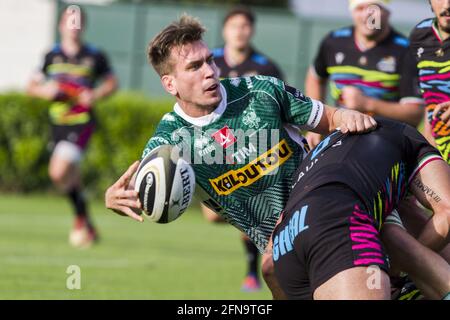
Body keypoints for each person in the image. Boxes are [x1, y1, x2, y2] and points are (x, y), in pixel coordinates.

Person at [104, 15, 376, 299]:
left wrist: (346, 114)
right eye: (194, 66)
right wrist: (114, 198)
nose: (209, 71)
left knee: (276, 266)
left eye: (209, 60)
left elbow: (330, 118)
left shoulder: (262, 91)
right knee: (274, 267)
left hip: (324, 209)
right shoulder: (171, 141)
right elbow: (148, 186)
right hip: (282, 249)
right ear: (170, 84)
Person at [272, 117, 450, 299]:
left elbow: (268, 267)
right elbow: (447, 212)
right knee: (400, 241)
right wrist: (395, 269)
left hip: (284, 245)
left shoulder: (359, 161)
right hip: (335, 221)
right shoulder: (410, 140)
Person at [203, 6, 284, 292]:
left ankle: (253, 271)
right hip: (213, 147)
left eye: (245, 26)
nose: (240, 31)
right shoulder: (208, 62)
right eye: (234, 26)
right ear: (225, 30)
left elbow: (278, 108)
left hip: (254, 149)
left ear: (252, 31)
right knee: (213, 215)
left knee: (248, 202)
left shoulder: (265, 67)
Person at [27, 6, 118, 248]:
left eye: (78, 21)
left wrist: (95, 94)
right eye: (69, 20)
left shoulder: (95, 56)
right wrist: (45, 91)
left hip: (81, 123)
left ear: (83, 26)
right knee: (70, 180)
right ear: (61, 25)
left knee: (57, 172)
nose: (73, 25)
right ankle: (84, 220)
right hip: (57, 123)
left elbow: (112, 83)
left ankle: (81, 219)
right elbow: (32, 86)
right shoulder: (51, 56)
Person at [305, 0, 423, 148]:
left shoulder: (405, 51)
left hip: (387, 140)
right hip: (340, 136)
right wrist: (317, 124)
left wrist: (367, 103)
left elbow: (415, 114)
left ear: (387, 12)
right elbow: (315, 77)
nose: (368, 14)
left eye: (374, 8)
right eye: (360, 8)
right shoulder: (334, 42)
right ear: (352, 12)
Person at [409, 0, 450, 164]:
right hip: (439, 157)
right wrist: (428, 152)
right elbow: (430, 97)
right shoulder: (420, 34)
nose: (447, 5)